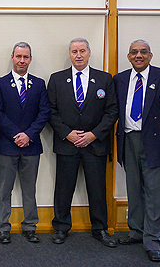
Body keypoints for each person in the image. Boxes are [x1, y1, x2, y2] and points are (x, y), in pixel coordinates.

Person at [47, 38, 118, 247]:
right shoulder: (57, 79)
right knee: (63, 188)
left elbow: (112, 111)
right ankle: (60, 228)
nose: (78, 55)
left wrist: (94, 134)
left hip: (95, 145)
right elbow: (50, 111)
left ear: (89, 53)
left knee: (97, 189)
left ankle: (101, 229)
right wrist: (67, 133)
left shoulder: (104, 79)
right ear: (69, 54)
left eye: (82, 51)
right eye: (74, 51)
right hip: (67, 144)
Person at [114, 39, 160, 262]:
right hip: (129, 140)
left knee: (156, 194)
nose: (139, 55)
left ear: (151, 55)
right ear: (129, 57)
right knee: (134, 189)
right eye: (134, 52)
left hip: (157, 143)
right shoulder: (120, 79)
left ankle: (154, 240)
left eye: (143, 52)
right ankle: (137, 232)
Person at [0, 42, 50, 244]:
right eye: (18, 56)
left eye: (26, 57)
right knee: (4, 189)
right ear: (12, 57)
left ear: (30, 59)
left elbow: (44, 113)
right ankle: (3, 227)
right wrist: (17, 134)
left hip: (31, 146)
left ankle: (30, 226)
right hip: (6, 146)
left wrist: (29, 135)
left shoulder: (39, 84)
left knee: (29, 189)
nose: (22, 61)